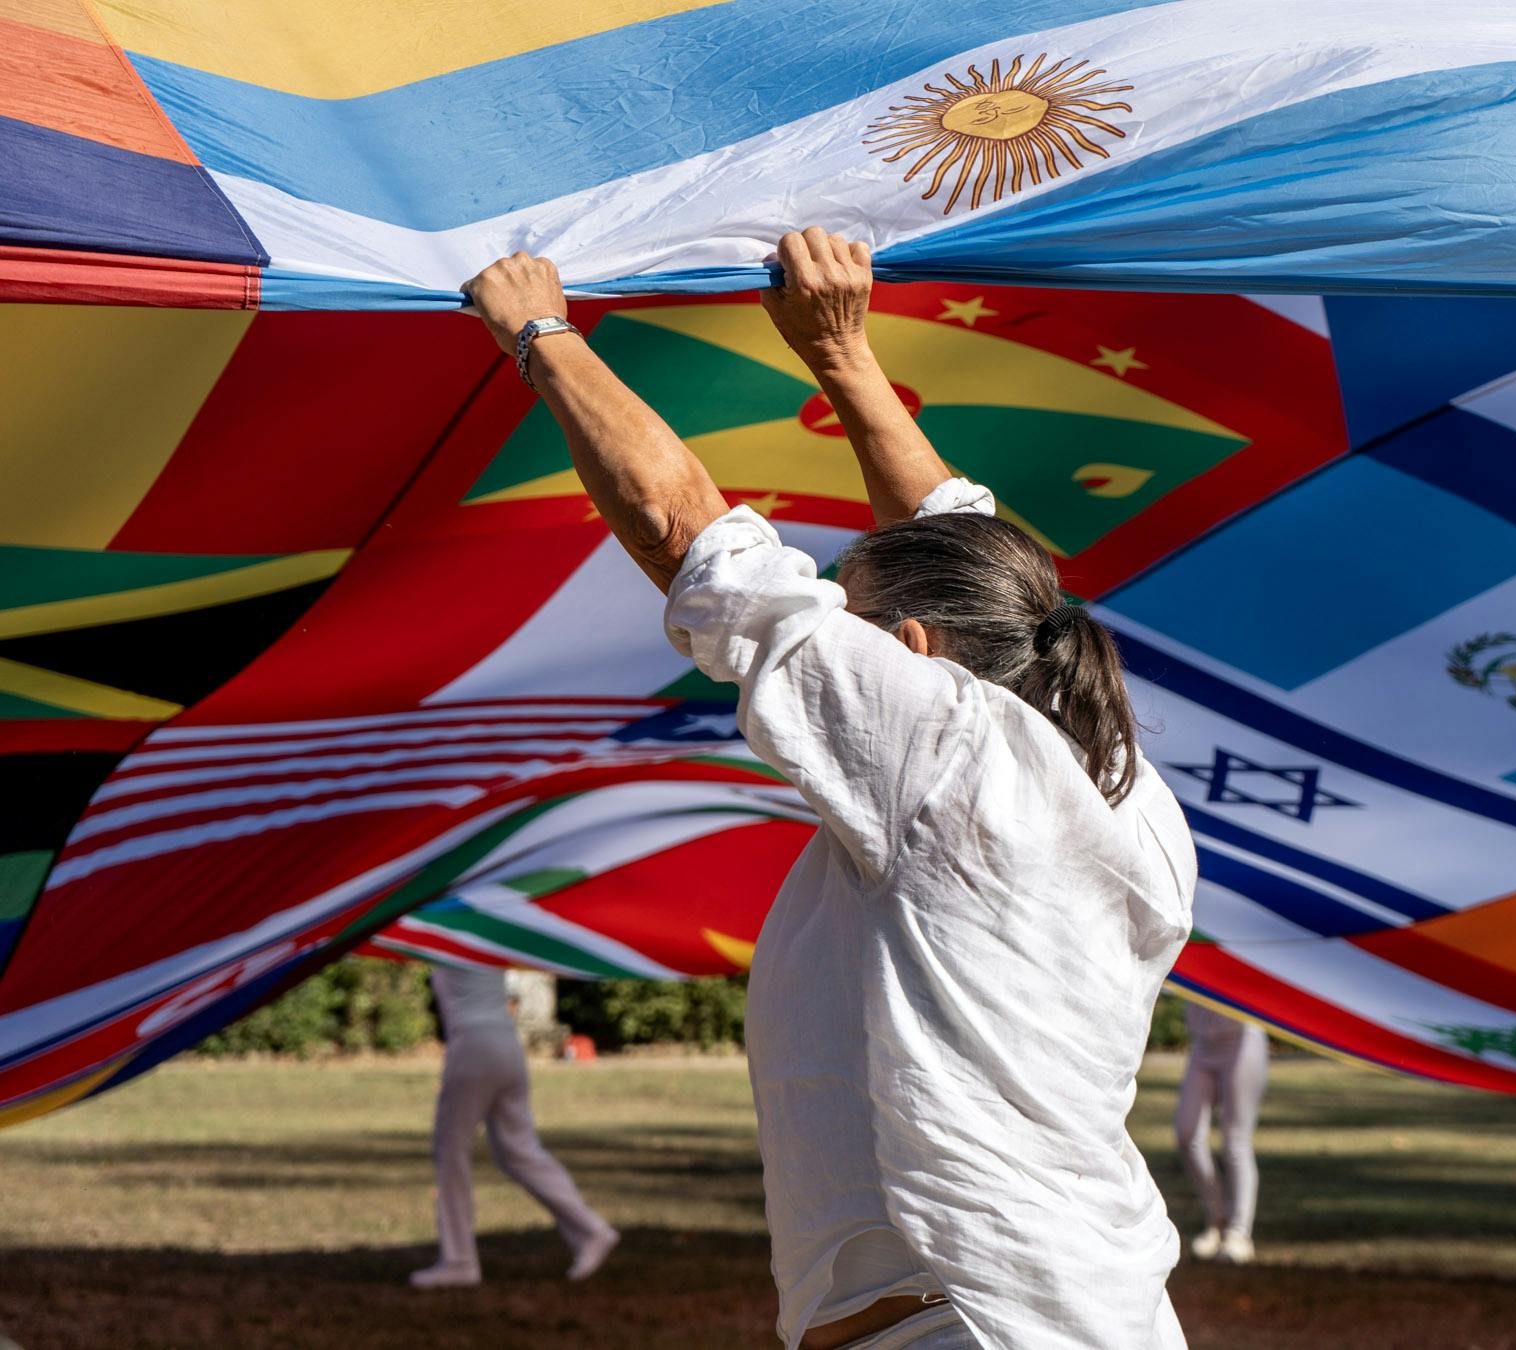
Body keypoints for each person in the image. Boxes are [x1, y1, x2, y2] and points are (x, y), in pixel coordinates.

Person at [463, 228, 1197, 1350]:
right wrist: (840, 352)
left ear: (909, 648)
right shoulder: (1120, 782)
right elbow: (966, 548)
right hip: (1098, 1316)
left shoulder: (944, 749)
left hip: (963, 1330)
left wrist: (540, 332)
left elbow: (690, 541)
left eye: (853, 613)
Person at [409, 962, 618, 1289]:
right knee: (520, 1151)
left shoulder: (448, 931)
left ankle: (459, 1260)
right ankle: (590, 1229)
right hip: (506, 1044)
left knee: (450, 1152)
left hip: (473, 1045)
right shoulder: (484, 937)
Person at [1174, 1003, 1268, 1266]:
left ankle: (1239, 1234)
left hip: (1243, 1040)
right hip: (1203, 1044)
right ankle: (1218, 1220)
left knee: (1235, 1142)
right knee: (1186, 1132)